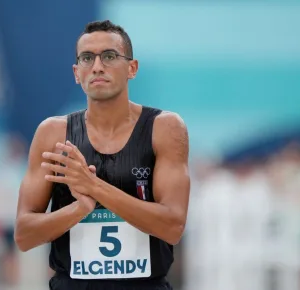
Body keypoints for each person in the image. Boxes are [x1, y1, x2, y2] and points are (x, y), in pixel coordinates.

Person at [14, 20, 190, 290]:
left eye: (109, 56)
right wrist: (79, 209)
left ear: (132, 68)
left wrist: (94, 187)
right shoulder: (52, 133)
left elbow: (172, 227)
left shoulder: (164, 128)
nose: (97, 66)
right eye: (87, 58)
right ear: (76, 72)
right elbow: (24, 235)